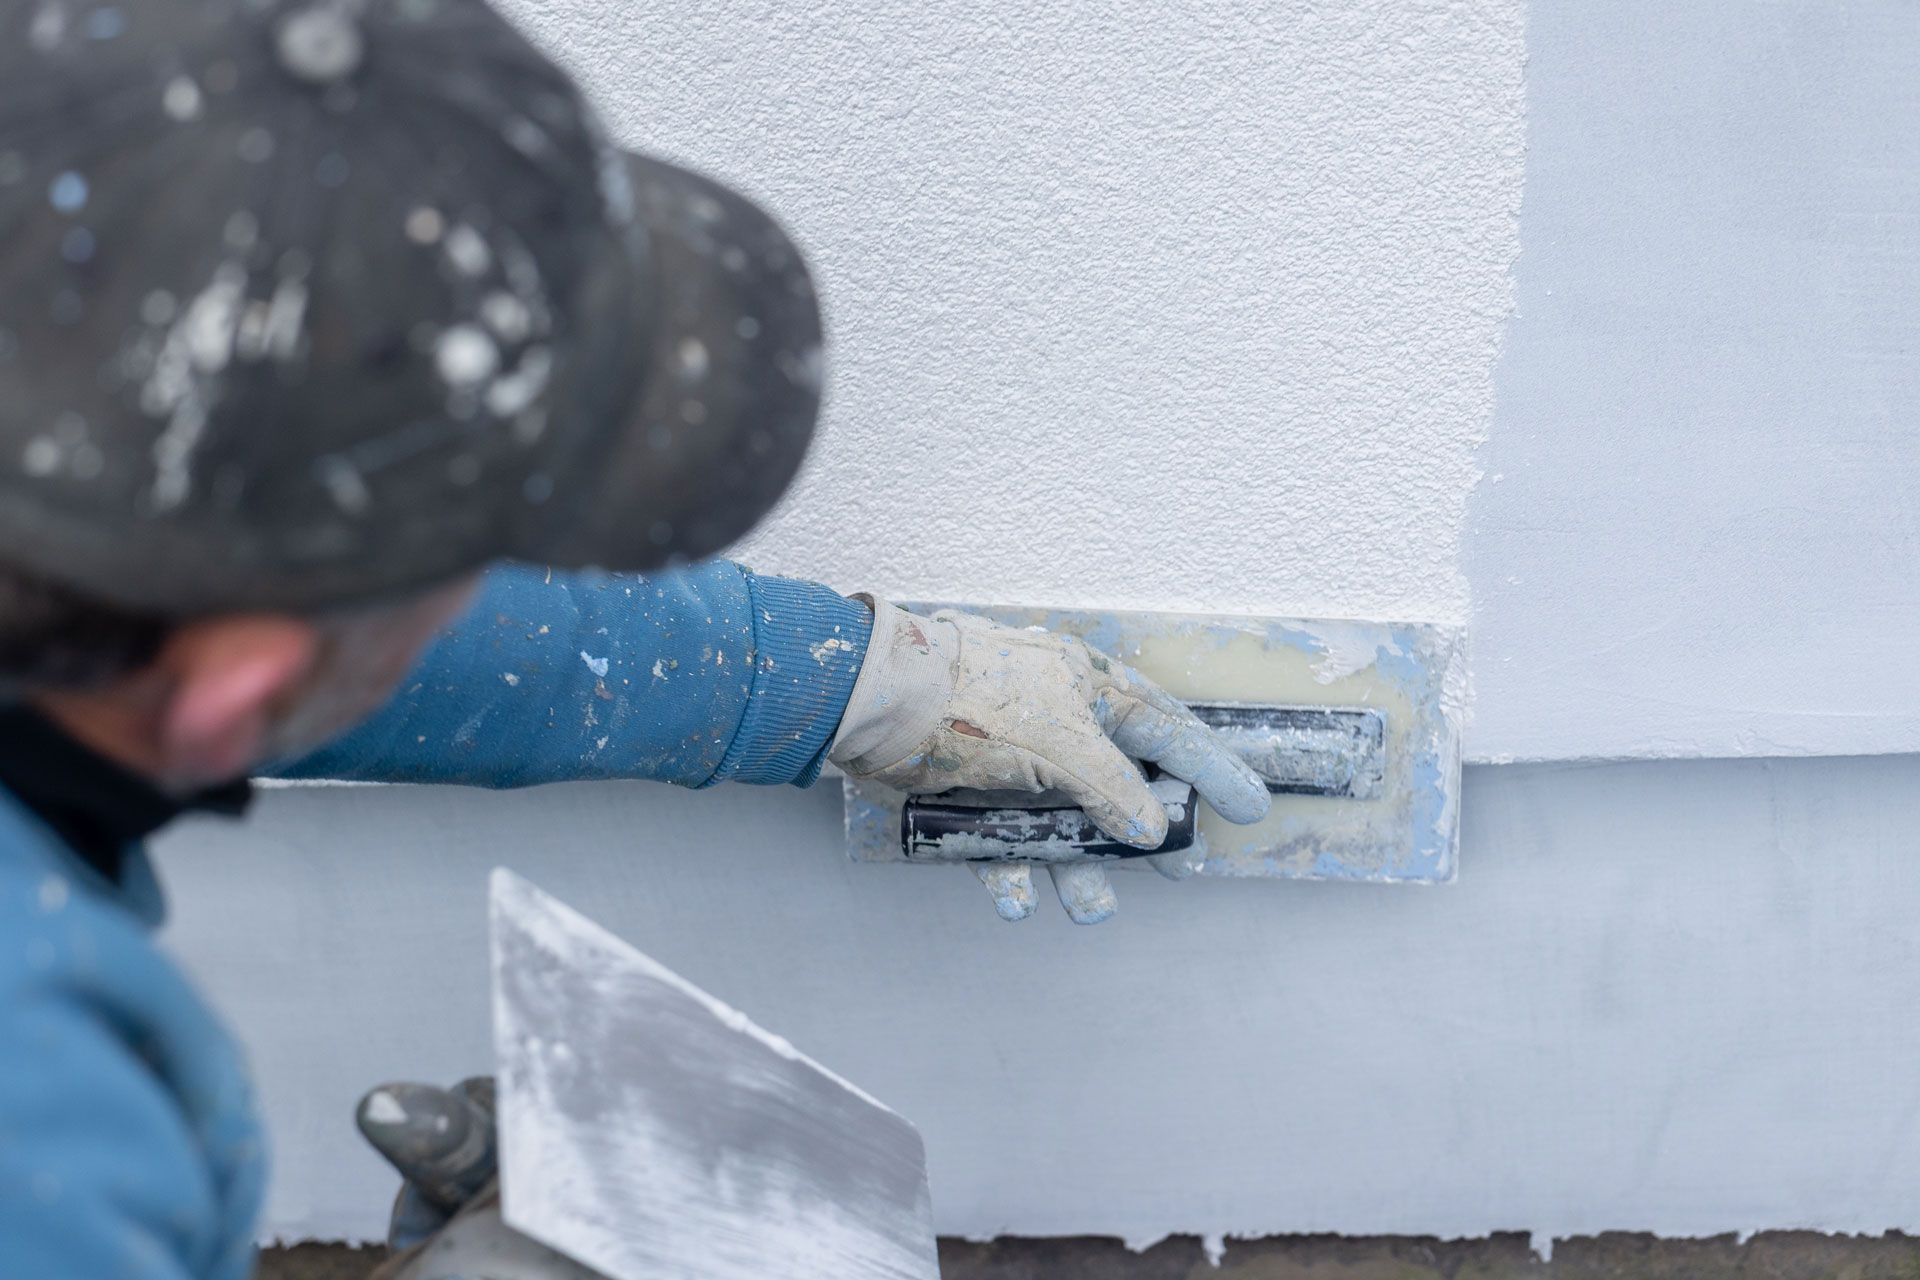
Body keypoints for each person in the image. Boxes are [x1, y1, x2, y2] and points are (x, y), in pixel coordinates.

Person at [0, 0, 1272, 1275]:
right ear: (235, 687)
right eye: (471, 561)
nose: (499, 584)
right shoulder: (53, 1132)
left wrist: (857, 684)